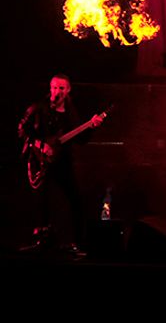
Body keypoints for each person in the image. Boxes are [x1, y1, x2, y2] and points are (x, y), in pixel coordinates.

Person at [18, 74, 105, 254]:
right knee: (42, 200)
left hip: (62, 160)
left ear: (68, 91)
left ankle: (76, 242)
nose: (57, 91)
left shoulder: (71, 112)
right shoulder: (38, 109)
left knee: (75, 199)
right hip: (40, 160)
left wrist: (92, 126)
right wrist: (41, 145)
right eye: (55, 87)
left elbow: (80, 139)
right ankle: (41, 240)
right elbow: (22, 130)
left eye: (62, 88)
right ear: (50, 88)